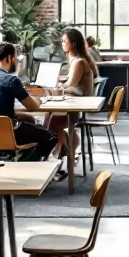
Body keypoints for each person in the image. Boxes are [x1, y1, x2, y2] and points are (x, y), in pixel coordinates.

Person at [0, 42, 57, 160]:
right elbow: (32, 106)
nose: (17, 62)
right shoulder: (10, 80)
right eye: (16, 58)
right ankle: (24, 165)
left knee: (34, 125)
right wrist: (40, 99)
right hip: (7, 135)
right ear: (9, 58)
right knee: (50, 138)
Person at [47, 29, 98, 170]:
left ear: (73, 43)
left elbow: (71, 85)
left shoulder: (79, 62)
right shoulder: (76, 60)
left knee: (52, 121)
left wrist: (56, 86)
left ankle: (65, 151)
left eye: (65, 41)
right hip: (75, 103)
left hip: (77, 106)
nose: (62, 43)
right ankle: (61, 150)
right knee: (49, 117)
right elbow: (70, 81)